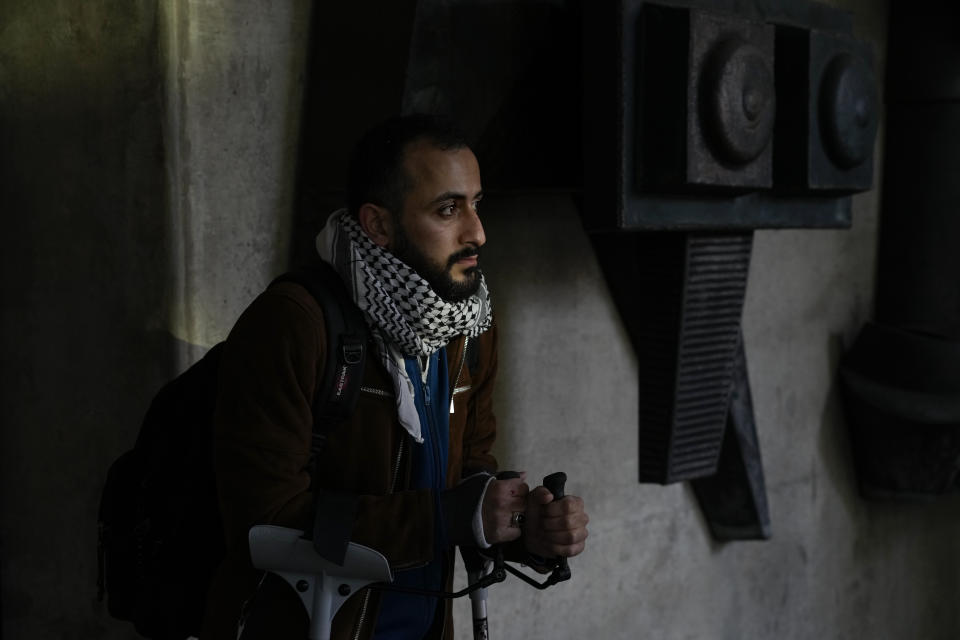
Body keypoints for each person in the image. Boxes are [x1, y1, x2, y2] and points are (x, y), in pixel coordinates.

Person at [201, 114, 589, 639]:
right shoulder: (294, 323)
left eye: (477, 203)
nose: (477, 231)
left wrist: (521, 527)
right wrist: (445, 518)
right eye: (448, 208)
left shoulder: (468, 324)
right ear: (379, 225)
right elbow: (264, 525)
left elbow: (470, 471)